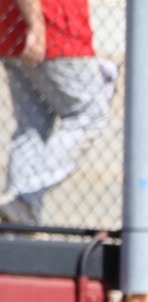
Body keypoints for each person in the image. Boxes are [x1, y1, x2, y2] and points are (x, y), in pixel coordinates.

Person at [1, 0, 115, 226]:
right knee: (90, 116)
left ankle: (20, 222)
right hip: (55, 30)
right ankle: (23, 197)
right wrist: (36, 24)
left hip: (14, 30)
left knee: (32, 127)